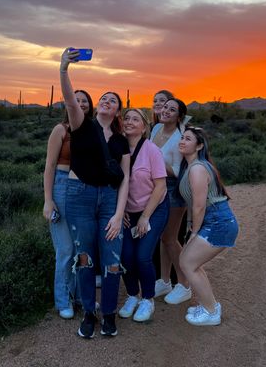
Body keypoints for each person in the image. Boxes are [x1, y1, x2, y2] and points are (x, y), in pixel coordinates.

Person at [59, 48, 130, 338]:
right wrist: (63, 68)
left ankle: (109, 314)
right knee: (85, 257)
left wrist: (118, 214)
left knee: (112, 261)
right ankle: (89, 312)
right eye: (103, 98)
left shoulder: (122, 141)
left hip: (110, 198)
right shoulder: (81, 125)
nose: (106, 101)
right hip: (79, 196)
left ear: (116, 111)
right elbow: (68, 98)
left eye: (112, 100)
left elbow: (124, 179)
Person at [177, 127, 239, 326]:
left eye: (188, 139)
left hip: (218, 222)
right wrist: (190, 226)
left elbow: (199, 204)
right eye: (182, 137)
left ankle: (211, 312)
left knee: (187, 263)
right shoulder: (192, 167)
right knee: (192, 264)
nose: (182, 141)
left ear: (199, 146)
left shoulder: (197, 168)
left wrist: (194, 232)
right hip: (215, 221)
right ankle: (210, 305)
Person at [43, 90, 93, 319]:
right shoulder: (61, 130)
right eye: (77, 100)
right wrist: (48, 200)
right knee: (65, 249)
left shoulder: (91, 132)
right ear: (69, 104)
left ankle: (82, 297)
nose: (80, 104)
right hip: (62, 187)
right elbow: (50, 166)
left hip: (85, 189)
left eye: (85, 101)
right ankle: (64, 300)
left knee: (82, 247)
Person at [118, 108, 169, 321]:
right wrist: (121, 212)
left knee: (142, 256)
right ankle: (132, 295)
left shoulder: (151, 150)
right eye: (126, 118)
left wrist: (145, 216)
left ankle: (147, 299)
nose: (130, 122)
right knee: (126, 256)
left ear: (144, 127)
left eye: (135, 119)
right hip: (128, 212)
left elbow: (160, 186)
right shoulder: (117, 149)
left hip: (153, 209)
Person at [151, 98, 191, 305]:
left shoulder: (179, 138)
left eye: (172, 109)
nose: (166, 111)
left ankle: (184, 284)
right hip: (156, 187)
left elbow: (177, 171)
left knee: (169, 238)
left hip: (173, 190)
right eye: (165, 107)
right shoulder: (156, 127)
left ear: (179, 116)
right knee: (161, 236)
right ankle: (164, 281)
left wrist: (155, 162)